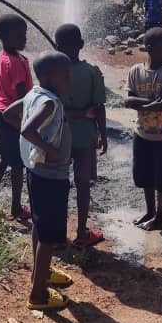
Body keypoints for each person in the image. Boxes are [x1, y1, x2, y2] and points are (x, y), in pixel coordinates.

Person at [4, 51, 73, 311]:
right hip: (51, 177)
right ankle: (38, 294)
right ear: (47, 77)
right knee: (48, 236)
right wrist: (48, 148)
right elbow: (26, 129)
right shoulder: (50, 103)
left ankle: (40, 273)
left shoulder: (33, 94)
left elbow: (11, 114)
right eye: (64, 75)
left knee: (39, 226)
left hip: (36, 172)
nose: (69, 79)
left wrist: (31, 148)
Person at [54, 23, 107, 248]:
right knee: (83, 184)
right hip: (85, 137)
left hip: (59, 137)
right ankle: (81, 234)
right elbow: (100, 108)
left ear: (57, 47)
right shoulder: (92, 72)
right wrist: (103, 134)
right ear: (82, 45)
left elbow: (50, 106)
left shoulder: (53, 74)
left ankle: (57, 234)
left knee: (59, 184)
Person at [125, 28, 162, 231]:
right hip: (142, 134)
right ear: (149, 49)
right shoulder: (135, 71)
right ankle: (150, 212)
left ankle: (161, 217)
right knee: (145, 175)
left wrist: (141, 104)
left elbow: (161, 102)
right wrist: (148, 104)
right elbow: (127, 101)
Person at [0, 14, 33, 221]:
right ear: (5, 38)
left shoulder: (5, 56)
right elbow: (22, 97)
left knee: (5, 159)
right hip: (10, 117)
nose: (24, 39)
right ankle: (16, 208)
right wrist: (29, 123)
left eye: (25, 35)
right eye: (19, 36)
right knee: (18, 165)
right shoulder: (16, 63)